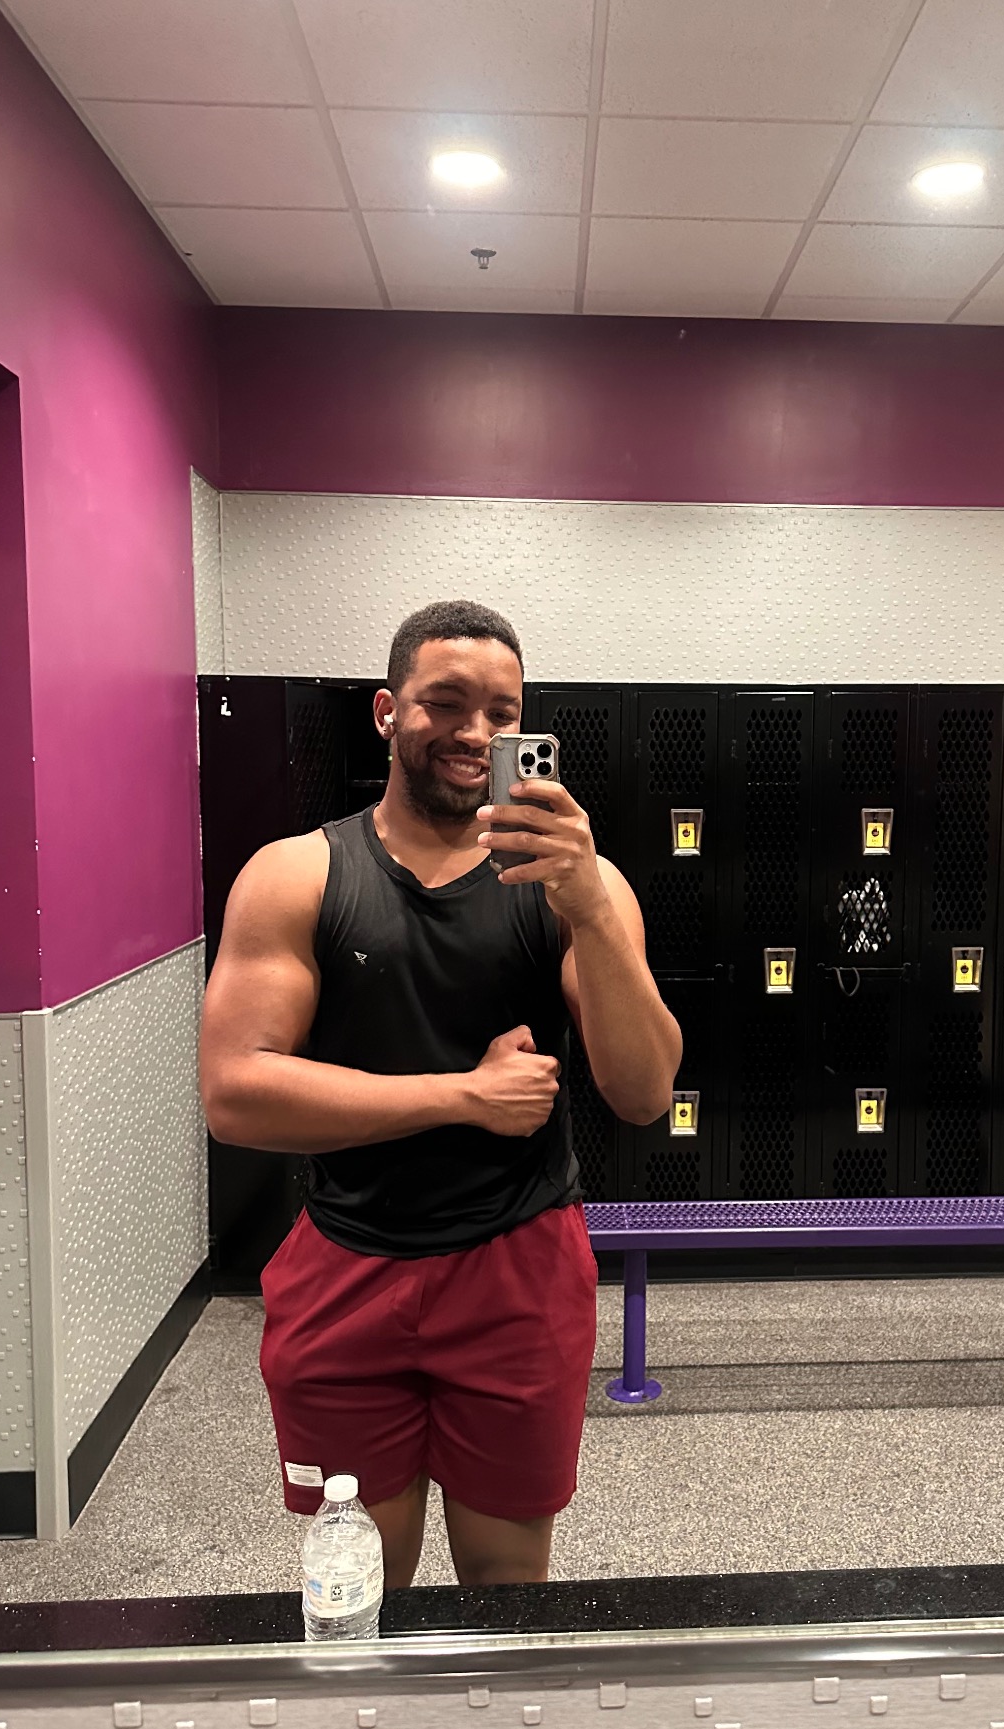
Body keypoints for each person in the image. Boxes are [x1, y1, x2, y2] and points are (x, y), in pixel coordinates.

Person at [199, 600, 681, 1587]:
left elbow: (643, 1090)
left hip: (517, 1270)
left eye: (503, 713)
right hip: (348, 1262)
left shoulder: (577, 888)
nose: (475, 732)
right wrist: (463, 1095)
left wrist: (590, 908)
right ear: (388, 711)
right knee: (361, 1584)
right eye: (447, 703)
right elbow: (236, 1093)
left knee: (507, 1591)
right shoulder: (297, 875)